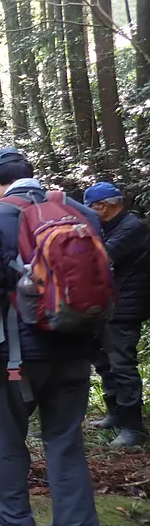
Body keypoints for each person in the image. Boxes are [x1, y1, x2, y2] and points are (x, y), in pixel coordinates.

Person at [0, 148, 100, 526]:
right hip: (76, 348)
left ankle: (16, 524)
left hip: (17, 357)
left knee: (8, 440)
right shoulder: (79, 213)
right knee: (65, 442)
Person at [83, 181, 149, 447]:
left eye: (90, 208)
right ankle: (115, 413)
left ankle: (133, 427)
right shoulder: (110, 226)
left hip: (125, 307)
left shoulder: (131, 228)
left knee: (122, 365)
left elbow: (99, 259)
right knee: (103, 361)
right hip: (107, 305)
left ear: (103, 207)